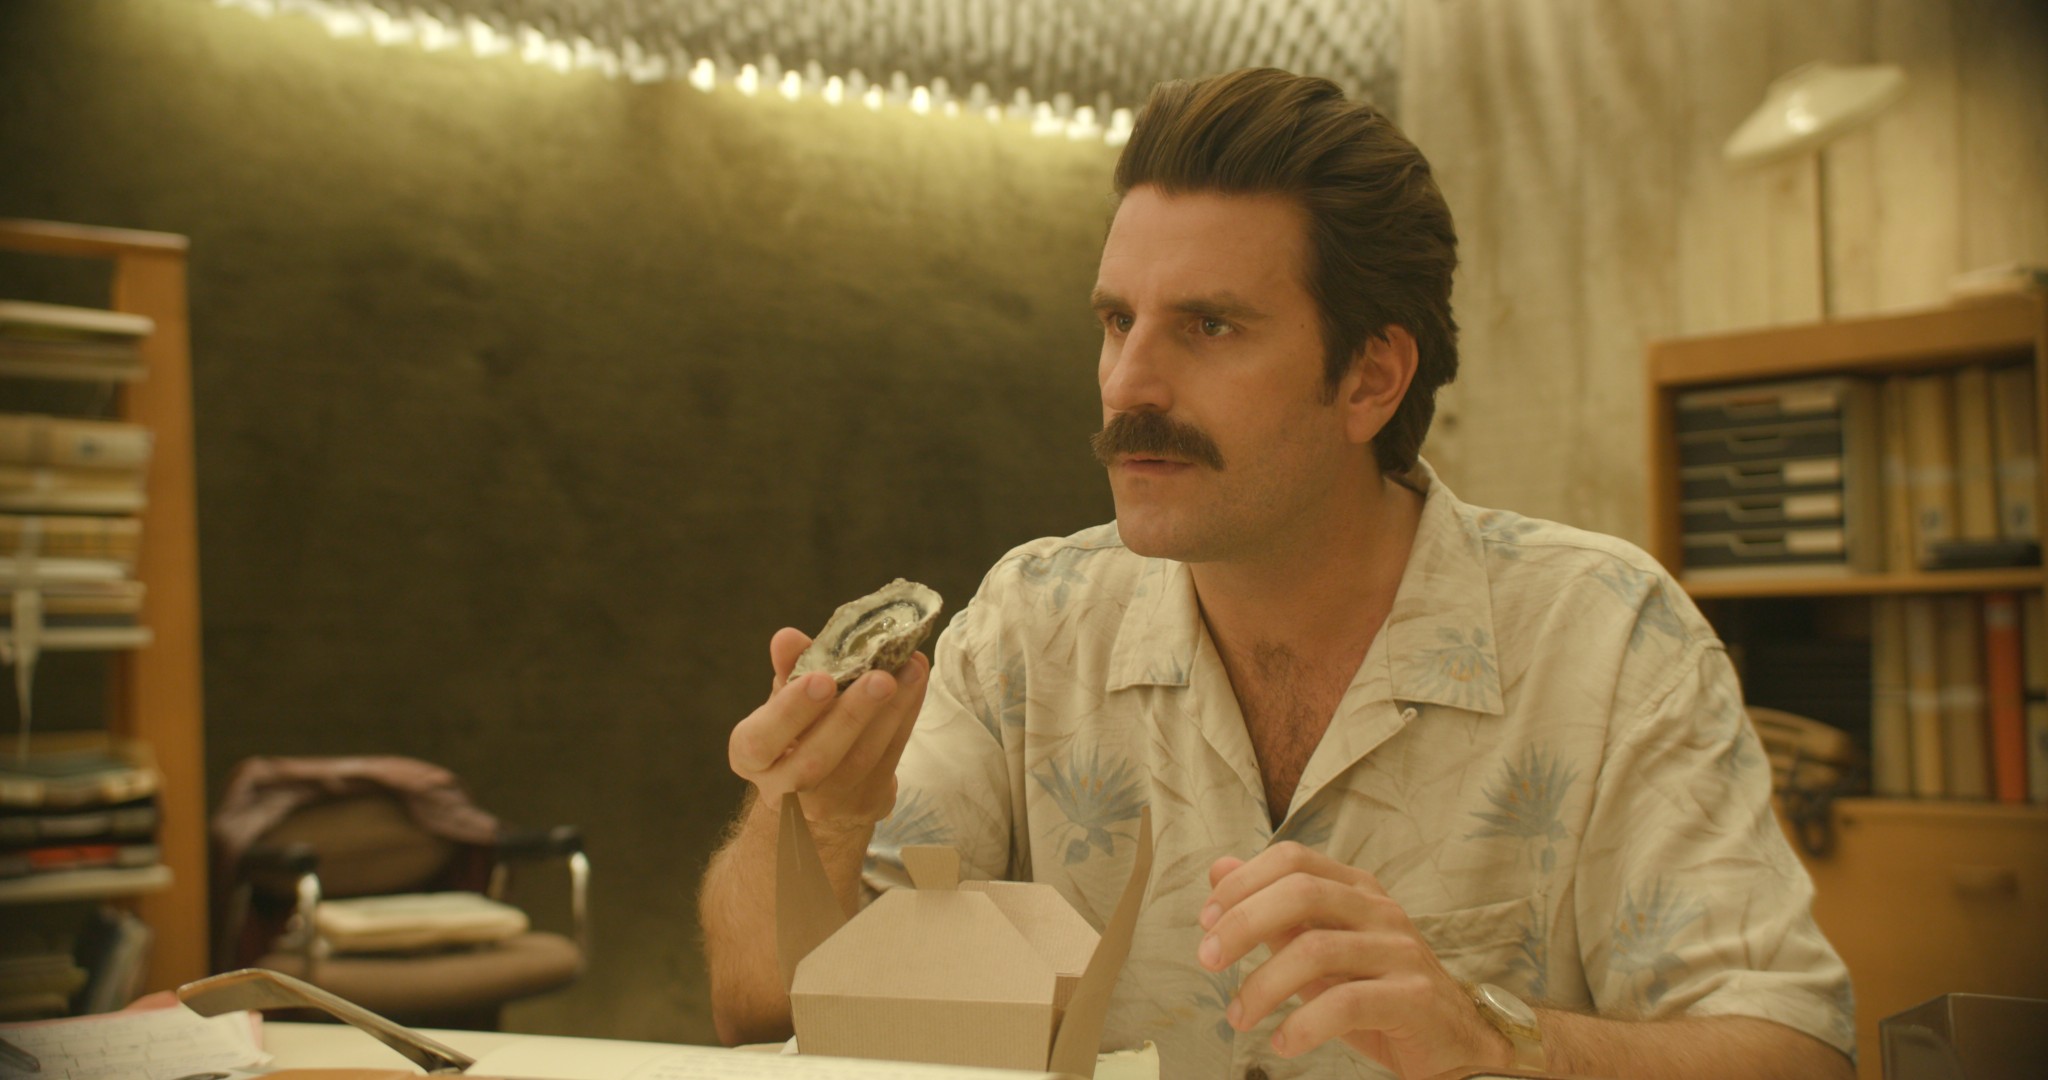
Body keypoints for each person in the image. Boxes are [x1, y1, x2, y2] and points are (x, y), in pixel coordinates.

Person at [699, 67, 1855, 1080]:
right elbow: (763, 1014)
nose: (1127, 384)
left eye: (1208, 327)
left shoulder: (1605, 636)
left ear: (1369, 379)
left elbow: (1794, 1053)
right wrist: (813, 816)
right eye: (1116, 321)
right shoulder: (1030, 626)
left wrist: (1491, 1035)